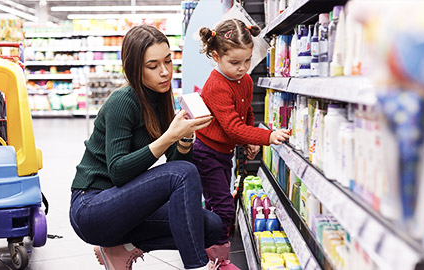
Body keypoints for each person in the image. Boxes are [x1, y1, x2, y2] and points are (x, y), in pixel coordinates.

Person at [69, 24, 223, 270]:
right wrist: (168, 137)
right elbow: (118, 171)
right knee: (183, 173)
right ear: (134, 68)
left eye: (168, 62)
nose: (165, 72)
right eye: (153, 66)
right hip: (92, 208)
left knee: (211, 226)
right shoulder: (122, 101)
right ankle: (197, 267)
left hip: (126, 207)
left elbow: (177, 170)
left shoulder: (162, 101)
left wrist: (184, 137)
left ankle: (123, 249)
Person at [193, 19, 290, 269]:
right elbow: (233, 127)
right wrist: (266, 137)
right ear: (215, 56)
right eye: (234, 63)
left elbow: (246, 113)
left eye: (247, 61)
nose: (242, 68)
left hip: (224, 154)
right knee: (224, 208)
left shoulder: (244, 80)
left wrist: (249, 140)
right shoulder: (215, 86)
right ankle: (219, 259)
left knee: (217, 203)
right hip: (207, 153)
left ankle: (207, 245)